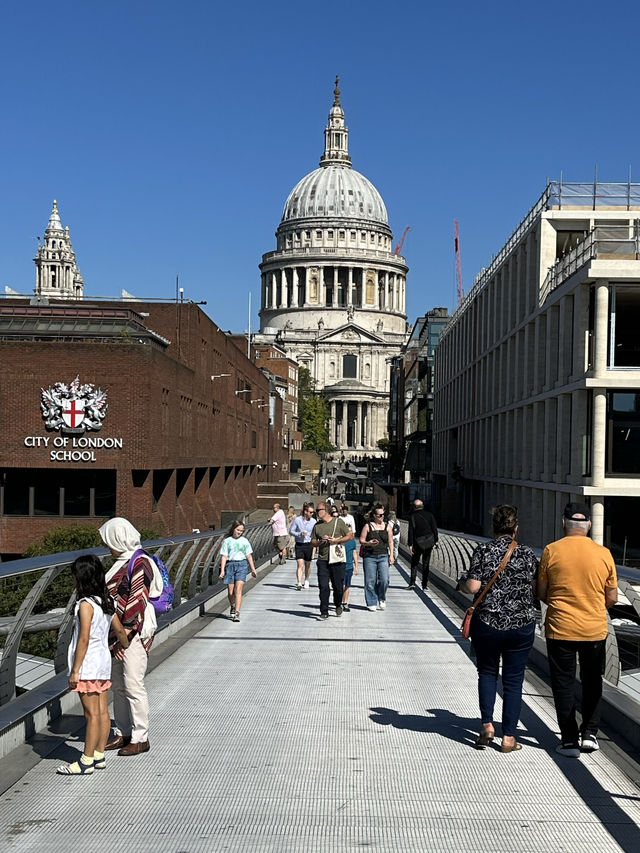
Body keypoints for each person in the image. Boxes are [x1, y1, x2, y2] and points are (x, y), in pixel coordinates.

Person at [537, 502, 618, 757]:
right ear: (589, 525)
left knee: (563, 683)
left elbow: (541, 592)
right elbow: (613, 597)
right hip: (594, 628)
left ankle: (569, 740)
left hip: (560, 626)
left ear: (564, 523)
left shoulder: (551, 551)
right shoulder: (604, 553)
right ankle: (590, 734)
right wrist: (592, 605)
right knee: (593, 681)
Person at [458, 505, 539, 753]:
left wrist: (461, 584)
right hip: (520, 624)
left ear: (493, 527)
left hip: (488, 623)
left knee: (488, 673)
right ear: (516, 528)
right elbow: (537, 591)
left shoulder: (483, 550)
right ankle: (509, 738)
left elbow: (472, 587)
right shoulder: (527, 554)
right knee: (514, 681)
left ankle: (487, 726)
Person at [57, 555, 130, 775]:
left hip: (88, 664)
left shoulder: (85, 605)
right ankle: (99, 755)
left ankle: (85, 760)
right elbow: (118, 629)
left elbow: (84, 638)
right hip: (102, 661)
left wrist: (75, 670)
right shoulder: (106, 601)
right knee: (101, 711)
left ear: (80, 577)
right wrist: (124, 644)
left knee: (90, 714)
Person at [100, 517, 161, 756]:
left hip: (132, 632)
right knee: (118, 685)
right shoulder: (121, 562)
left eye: (109, 541)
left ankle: (140, 736)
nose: (107, 546)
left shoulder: (140, 562)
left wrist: (123, 637)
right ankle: (123, 732)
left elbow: (137, 600)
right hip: (117, 632)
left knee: (133, 683)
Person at [311, 501, 352, 620]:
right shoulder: (317, 525)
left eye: (318, 510)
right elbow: (312, 542)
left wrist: (336, 541)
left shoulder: (338, 522)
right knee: (323, 586)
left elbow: (350, 535)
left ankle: (338, 604)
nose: (316, 512)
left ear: (326, 510)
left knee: (338, 587)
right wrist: (320, 542)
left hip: (337, 560)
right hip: (323, 560)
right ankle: (324, 611)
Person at [219, 520, 257, 622]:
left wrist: (253, 569)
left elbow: (249, 555)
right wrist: (222, 570)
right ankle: (232, 605)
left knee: (238, 589)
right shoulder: (227, 541)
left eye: (241, 531)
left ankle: (237, 612)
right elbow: (224, 556)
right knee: (231, 592)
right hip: (230, 565)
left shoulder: (244, 541)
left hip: (242, 564)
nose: (239, 532)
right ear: (233, 529)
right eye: (238, 530)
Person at [360, 503, 395, 611]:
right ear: (374, 516)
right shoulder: (367, 526)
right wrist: (368, 543)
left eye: (383, 515)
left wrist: (392, 555)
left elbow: (390, 541)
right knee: (370, 580)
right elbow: (361, 540)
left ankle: (382, 597)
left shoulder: (387, 526)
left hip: (383, 555)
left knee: (385, 579)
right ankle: (371, 602)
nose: (382, 517)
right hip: (370, 556)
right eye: (379, 515)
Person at [408, 499, 439, 590]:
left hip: (418, 543)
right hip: (429, 542)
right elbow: (434, 529)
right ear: (423, 506)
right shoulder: (430, 515)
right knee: (426, 563)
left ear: (414, 507)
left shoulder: (412, 516)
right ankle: (424, 585)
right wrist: (436, 541)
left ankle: (412, 583)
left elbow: (411, 531)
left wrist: (410, 544)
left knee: (414, 562)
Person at [289, 503, 316, 589]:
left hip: (309, 544)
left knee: (307, 564)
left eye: (313, 512)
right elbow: (291, 531)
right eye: (310, 512)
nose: (312, 514)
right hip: (300, 544)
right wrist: (299, 534)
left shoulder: (314, 521)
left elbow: (315, 533)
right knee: (300, 564)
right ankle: (299, 582)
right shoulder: (297, 520)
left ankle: (307, 580)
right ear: (305, 512)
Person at [342, 533, 359, 612]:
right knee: (340, 585)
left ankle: (345, 602)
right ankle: (339, 602)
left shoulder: (352, 542)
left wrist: (356, 565)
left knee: (347, 585)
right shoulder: (340, 541)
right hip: (340, 566)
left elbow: (354, 553)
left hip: (349, 566)